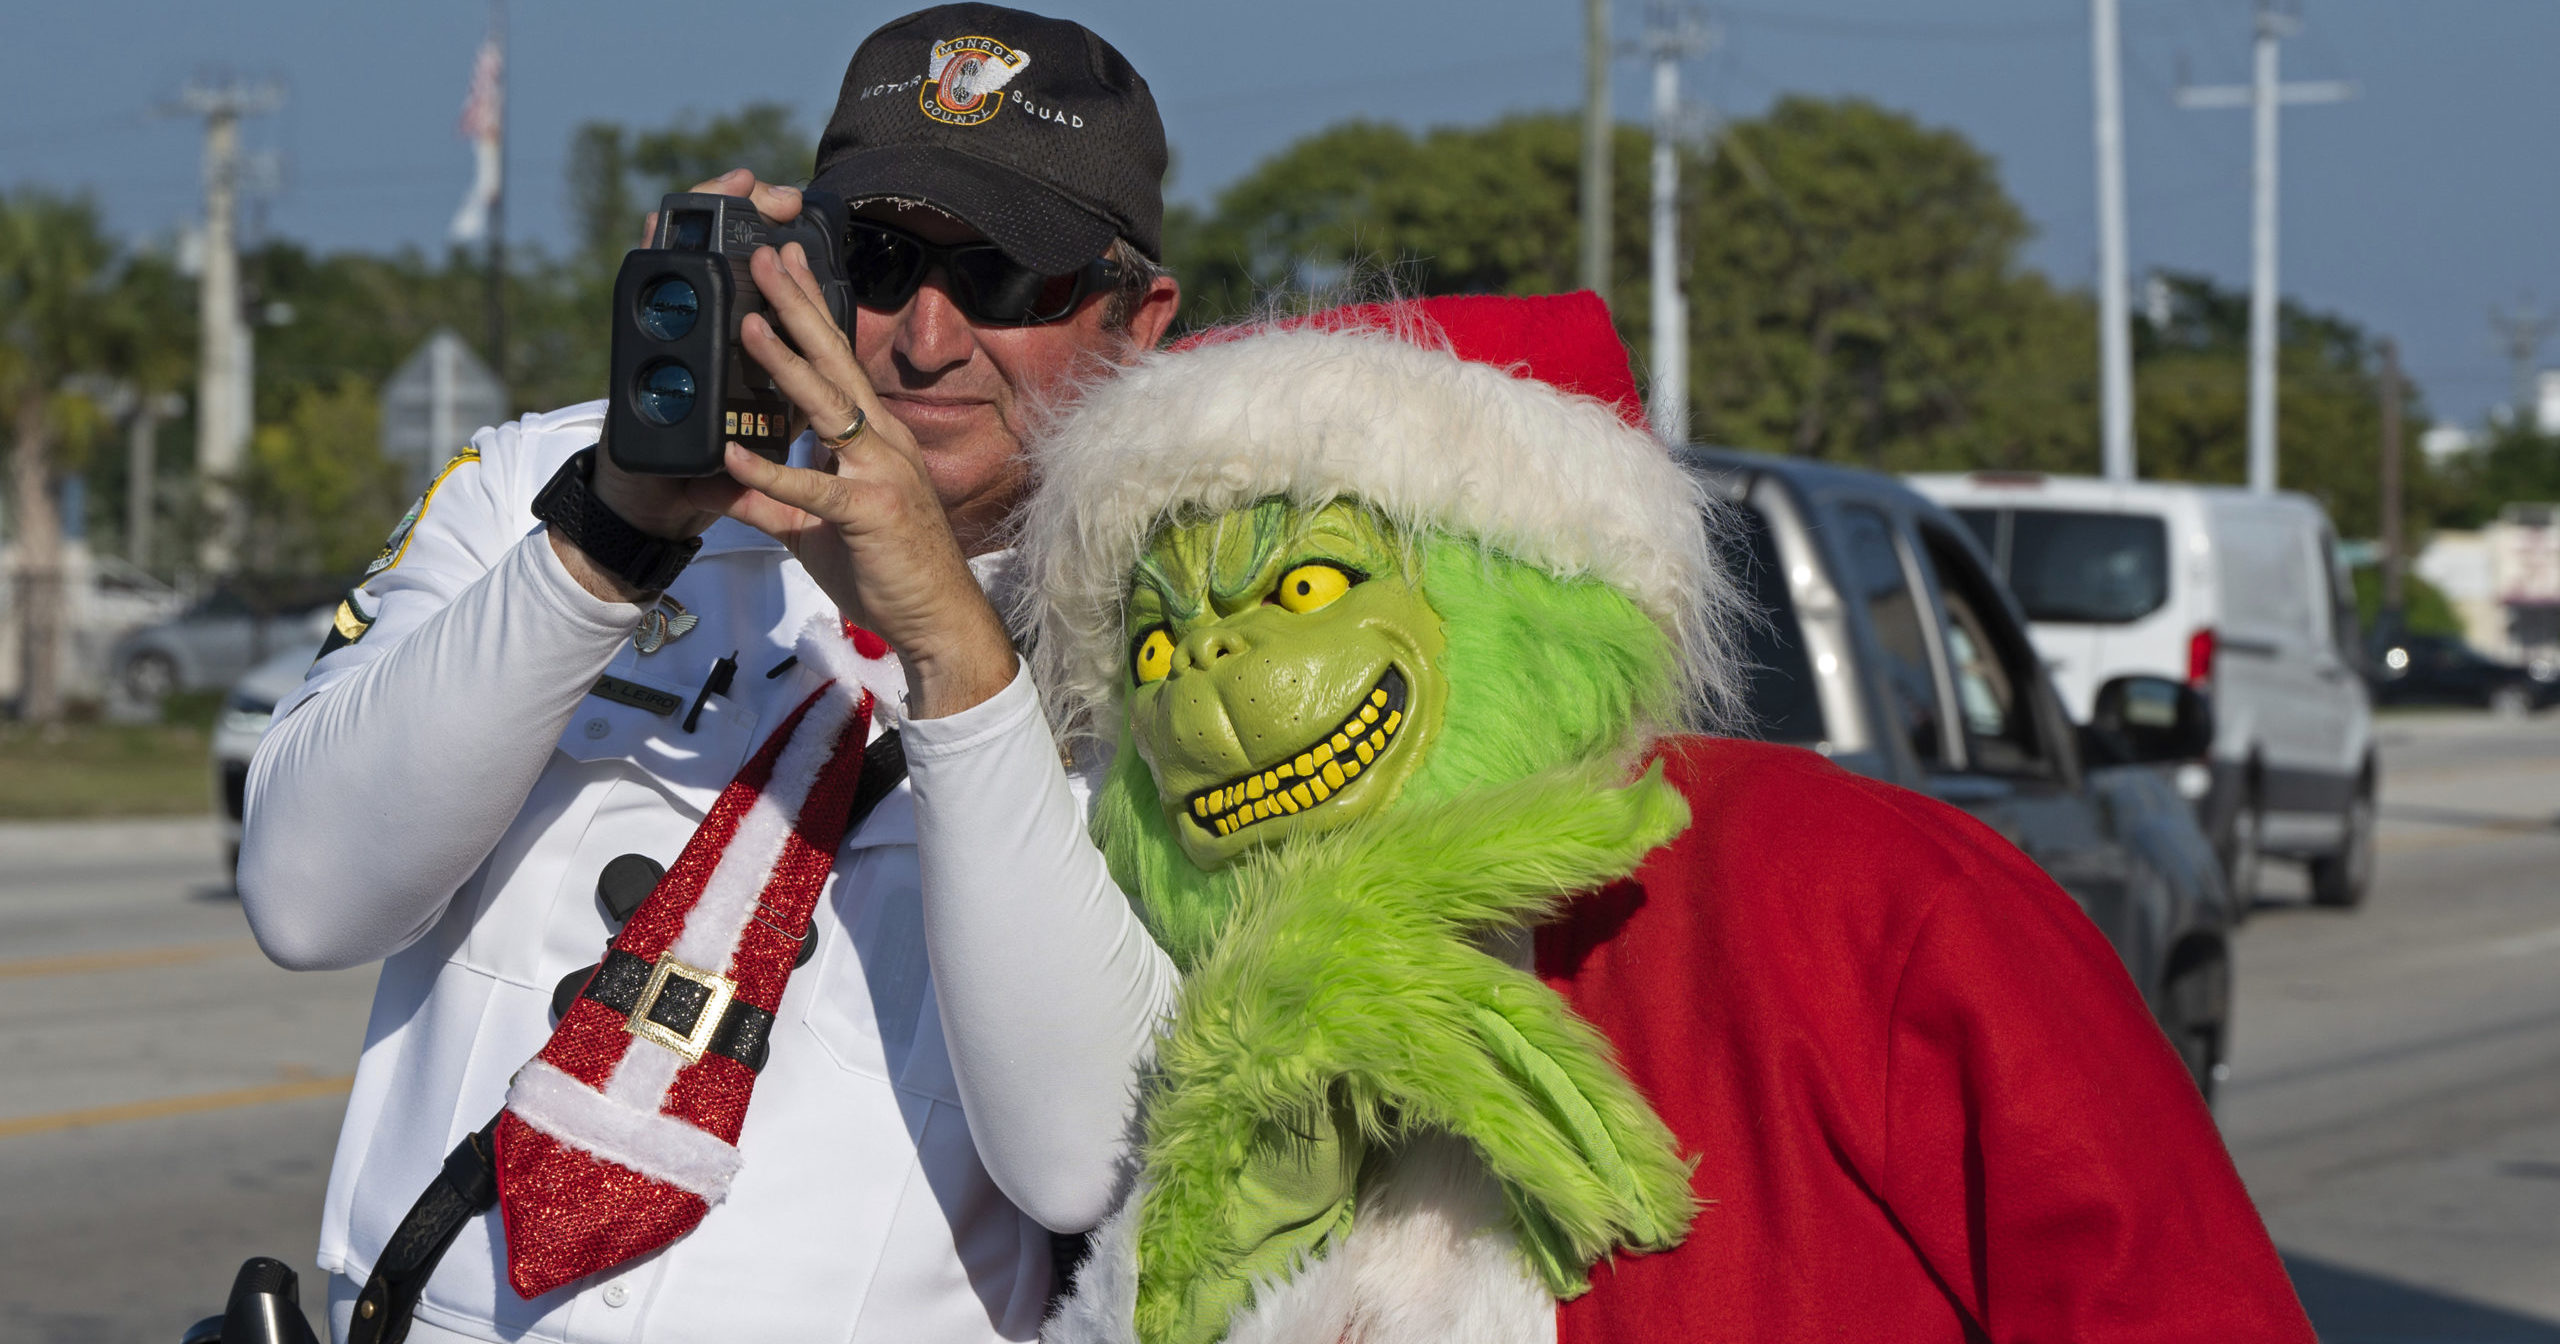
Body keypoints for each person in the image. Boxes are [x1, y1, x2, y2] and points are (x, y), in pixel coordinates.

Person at [993, 294, 2317, 1342]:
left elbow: (2162, 1304)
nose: (1211, 681)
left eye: (1306, 588)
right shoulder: (1165, 977)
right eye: (1158, 648)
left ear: (1520, 580)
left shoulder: (1860, 894)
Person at [237, 5, 1179, 1340]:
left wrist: (955, 653)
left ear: (1136, 325)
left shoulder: (1192, 644)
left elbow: (1086, 1153)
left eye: (1001, 282)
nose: (921, 336)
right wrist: (614, 538)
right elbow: (304, 899)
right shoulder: (549, 484)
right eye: (883, 257)